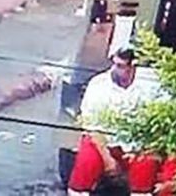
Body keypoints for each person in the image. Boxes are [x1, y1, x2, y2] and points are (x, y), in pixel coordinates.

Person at [68, 47, 161, 196]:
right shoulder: (98, 84)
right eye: (114, 64)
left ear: (133, 66)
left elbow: (161, 120)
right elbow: (92, 127)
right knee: (87, 157)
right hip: (105, 141)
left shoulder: (153, 82)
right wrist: (108, 160)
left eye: (121, 66)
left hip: (141, 143)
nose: (115, 70)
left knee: (146, 166)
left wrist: (146, 146)